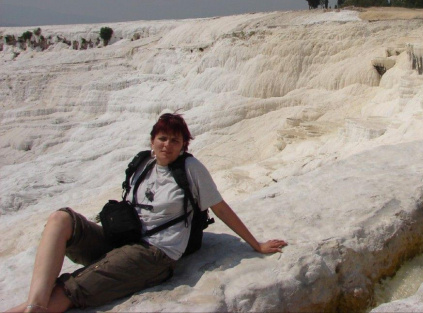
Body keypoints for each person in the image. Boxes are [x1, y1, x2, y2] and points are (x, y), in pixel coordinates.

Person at [9, 113, 287, 312]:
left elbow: (220, 207)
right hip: (123, 240)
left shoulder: (191, 170)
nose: (167, 145)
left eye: (175, 141)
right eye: (162, 138)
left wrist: (256, 244)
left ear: (183, 146)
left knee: (71, 288)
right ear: (152, 140)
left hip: (155, 253)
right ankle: (36, 304)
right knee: (61, 219)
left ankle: (34, 308)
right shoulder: (143, 163)